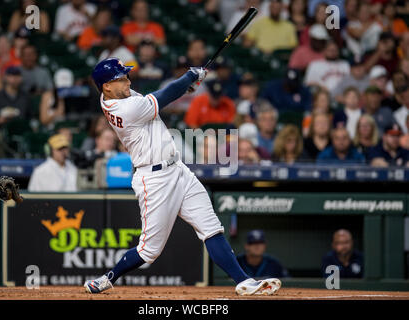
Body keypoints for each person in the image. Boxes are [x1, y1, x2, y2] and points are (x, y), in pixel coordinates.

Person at [84, 57, 281, 296]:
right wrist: (189, 76)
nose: (128, 81)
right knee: (149, 251)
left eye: (126, 77)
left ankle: (243, 281)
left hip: (178, 170)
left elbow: (163, 94)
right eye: (122, 78)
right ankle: (108, 278)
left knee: (211, 228)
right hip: (154, 179)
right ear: (106, 86)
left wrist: (185, 85)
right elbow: (162, 97)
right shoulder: (124, 108)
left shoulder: (117, 95)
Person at [0, 66, 31, 133]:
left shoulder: (25, 96)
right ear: (5, 77)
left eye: (18, 76)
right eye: (12, 75)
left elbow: (30, 117)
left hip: (21, 131)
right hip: (1, 130)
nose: (15, 78)